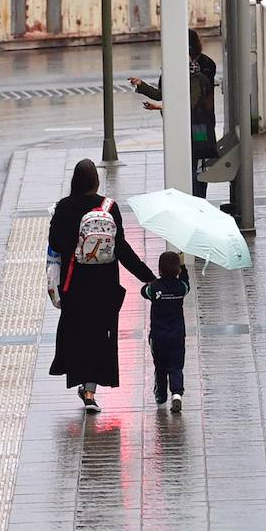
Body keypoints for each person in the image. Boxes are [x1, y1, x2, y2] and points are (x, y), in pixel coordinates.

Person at [48, 158, 156, 413]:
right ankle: (90, 389)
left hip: (74, 283)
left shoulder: (63, 207)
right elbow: (122, 249)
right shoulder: (109, 206)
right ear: (96, 181)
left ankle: (82, 385)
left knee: (78, 334)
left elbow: (56, 243)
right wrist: (148, 276)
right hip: (105, 284)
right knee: (99, 335)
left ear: (74, 180)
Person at [128, 28, 217, 197]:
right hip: (193, 125)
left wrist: (161, 107)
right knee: (189, 161)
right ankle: (191, 196)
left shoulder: (202, 72)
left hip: (199, 124)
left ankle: (197, 199)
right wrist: (142, 85)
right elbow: (162, 93)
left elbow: (192, 102)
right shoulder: (172, 70)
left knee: (197, 162)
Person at [140, 251, 191, 413]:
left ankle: (161, 395)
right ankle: (177, 394)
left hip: (158, 337)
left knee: (160, 367)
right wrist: (183, 266)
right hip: (177, 336)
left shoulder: (154, 289)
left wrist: (153, 282)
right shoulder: (181, 288)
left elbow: (143, 291)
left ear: (160, 269)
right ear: (177, 270)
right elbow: (186, 284)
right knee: (176, 366)